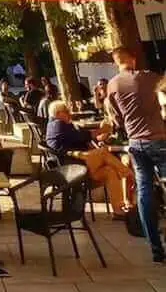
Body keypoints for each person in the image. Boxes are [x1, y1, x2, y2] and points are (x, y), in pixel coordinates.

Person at [107, 46, 166, 262]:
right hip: (158, 138)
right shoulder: (149, 78)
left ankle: (155, 249)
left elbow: (115, 119)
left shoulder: (112, 85)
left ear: (116, 62)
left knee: (144, 192)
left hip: (135, 143)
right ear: (133, 58)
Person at [45, 99, 133, 218]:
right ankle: (128, 173)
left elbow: (81, 138)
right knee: (103, 152)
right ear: (58, 113)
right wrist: (102, 129)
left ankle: (118, 210)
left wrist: (99, 135)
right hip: (73, 167)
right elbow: (82, 136)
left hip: (77, 165)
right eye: (66, 111)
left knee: (110, 171)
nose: (69, 113)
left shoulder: (59, 125)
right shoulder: (57, 124)